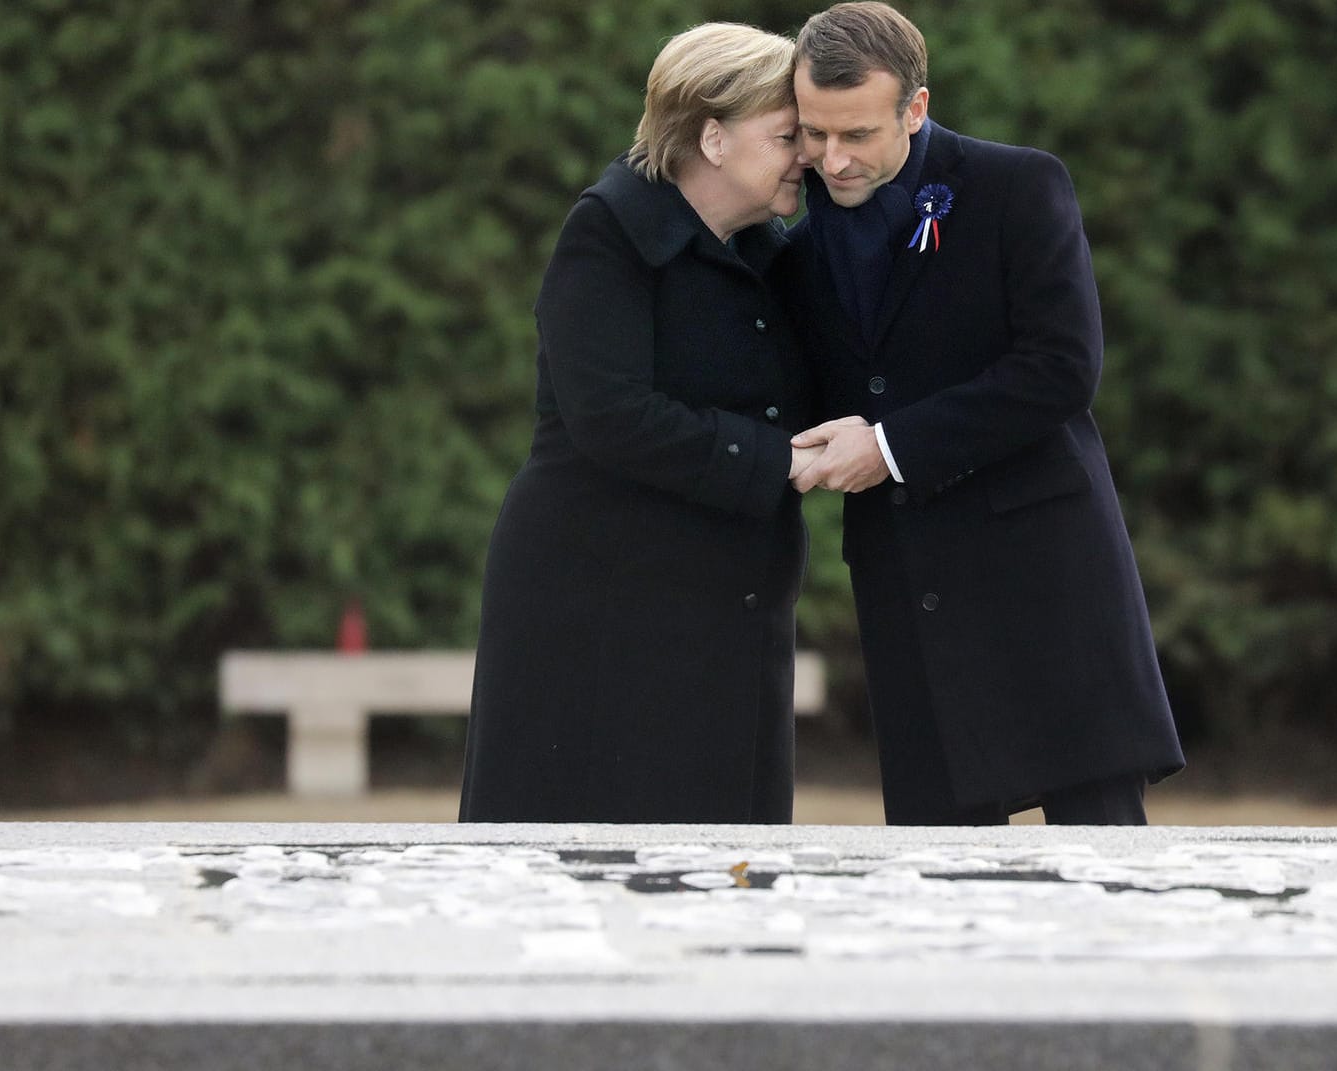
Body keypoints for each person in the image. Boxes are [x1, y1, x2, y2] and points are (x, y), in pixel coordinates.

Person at [780, 2, 1184, 825]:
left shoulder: (1016, 185)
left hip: (1043, 567)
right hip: (907, 578)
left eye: (856, 134)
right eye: (813, 133)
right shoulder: (791, 244)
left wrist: (889, 446)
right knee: (935, 865)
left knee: (1101, 854)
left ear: (915, 107)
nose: (832, 159)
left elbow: (1061, 368)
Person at [460, 23, 818, 823]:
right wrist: (776, 462)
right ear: (713, 136)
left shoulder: (769, 249)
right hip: (596, 596)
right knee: (585, 862)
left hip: (725, 600)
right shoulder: (609, 231)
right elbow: (610, 415)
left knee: (727, 867)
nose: (809, 154)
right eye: (788, 134)